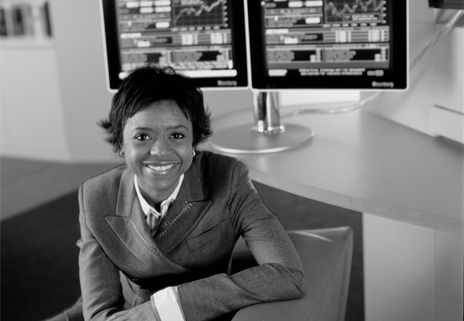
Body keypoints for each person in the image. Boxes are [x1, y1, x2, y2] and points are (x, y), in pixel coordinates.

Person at [49, 63, 306, 321]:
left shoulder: (227, 178)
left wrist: (168, 306)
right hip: (129, 312)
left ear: (193, 143)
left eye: (176, 135)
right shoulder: (95, 196)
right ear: (120, 144)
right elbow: (99, 314)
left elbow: (289, 275)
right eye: (142, 137)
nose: (160, 151)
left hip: (199, 310)